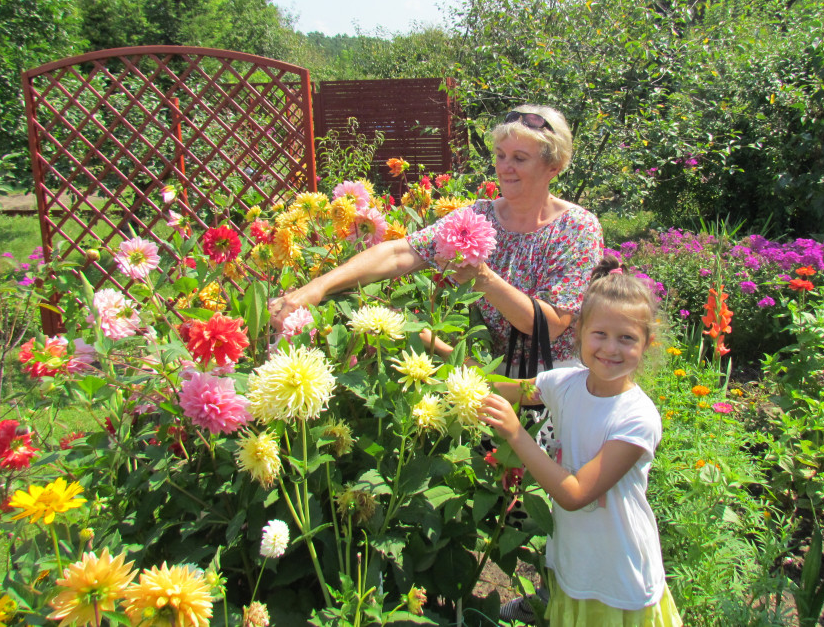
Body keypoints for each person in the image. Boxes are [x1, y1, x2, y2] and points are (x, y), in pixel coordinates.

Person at [269, 105, 603, 374]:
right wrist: (317, 288)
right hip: (483, 370)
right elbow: (400, 252)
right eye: (501, 155)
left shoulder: (576, 228)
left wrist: (484, 279)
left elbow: (551, 325)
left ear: (554, 166)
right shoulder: (479, 216)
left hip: (554, 379)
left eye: (520, 158)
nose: (505, 168)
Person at [479, 258, 683, 627]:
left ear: (647, 344)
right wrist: (445, 368)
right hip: (576, 560)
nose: (610, 348)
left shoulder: (636, 418)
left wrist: (515, 433)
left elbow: (574, 495)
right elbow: (507, 389)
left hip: (618, 571)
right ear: (580, 334)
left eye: (627, 338)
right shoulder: (566, 383)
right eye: (599, 334)